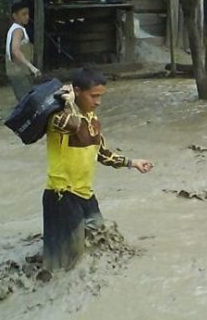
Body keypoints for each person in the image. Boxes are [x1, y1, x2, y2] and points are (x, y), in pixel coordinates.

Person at [43, 67, 153, 271]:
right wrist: (68, 101)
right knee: (68, 257)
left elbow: (102, 153)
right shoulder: (58, 117)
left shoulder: (93, 119)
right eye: (94, 96)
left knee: (98, 234)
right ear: (77, 91)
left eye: (100, 96)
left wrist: (132, 162)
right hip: (61, 194)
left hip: (85, 192)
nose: (98, 102)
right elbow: (73, 125)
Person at [6, 2, 41, 101]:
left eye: (28, 14)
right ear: (15, 16)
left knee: (26, 101)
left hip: (19, 72)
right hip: (19, 72)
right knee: (26, 102)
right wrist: (31, 67)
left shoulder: (16, 29)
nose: (27, 17)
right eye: (23, 14)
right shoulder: (18, 30)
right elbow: (15, 50)